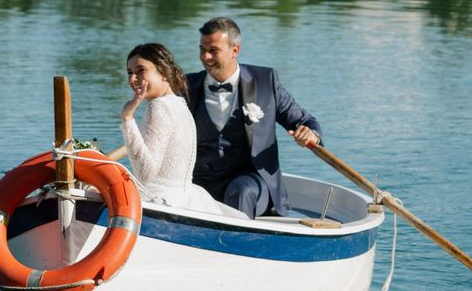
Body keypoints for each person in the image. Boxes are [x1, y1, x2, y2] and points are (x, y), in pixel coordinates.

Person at [187, 17, 322, 219]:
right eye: (201, 49)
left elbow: (306, 122)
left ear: (235, 50)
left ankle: (237, 245)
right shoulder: (186, 86)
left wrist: (312, 134)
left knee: (242, 191)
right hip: (200, 180)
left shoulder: (266, 83)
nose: (206, 57)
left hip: (251, 181)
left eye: (213, 50)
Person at [120, 43, 247, 219]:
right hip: (185, 197)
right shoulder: (179, 103)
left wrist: (127, 120)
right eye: (129, 72)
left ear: (163, 72)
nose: (133, 78)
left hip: (161, 202)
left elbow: (145, 174)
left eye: (141, 70)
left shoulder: (158, 107)